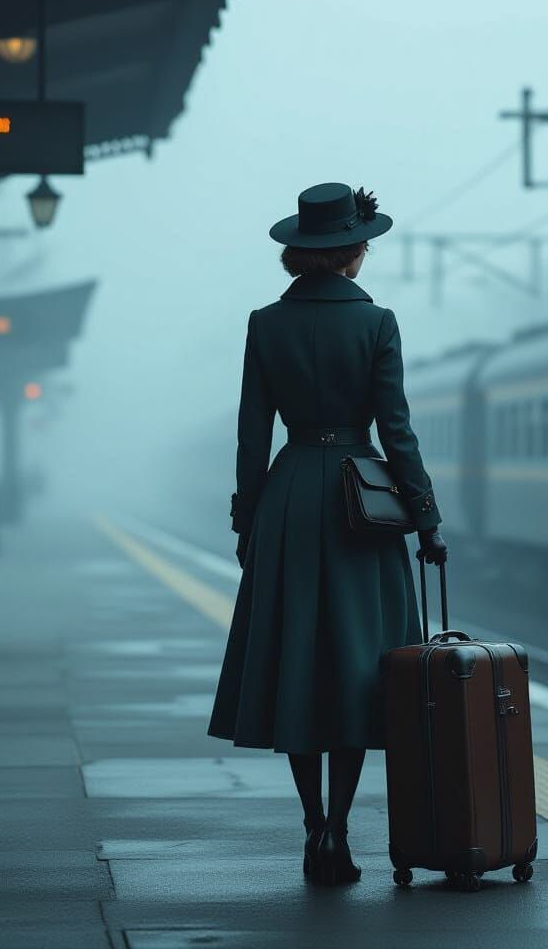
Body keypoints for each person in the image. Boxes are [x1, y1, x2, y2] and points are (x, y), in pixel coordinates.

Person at [206, 182, 447, 886]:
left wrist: (249, 518)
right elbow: (396, 432)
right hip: (359, 507)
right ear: (353, 251)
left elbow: (253, 434)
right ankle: (340, 829)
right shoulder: (378, 323)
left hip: (288, 500)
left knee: (296, 665)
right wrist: (426, 520)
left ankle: (312, 824)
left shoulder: (265, 324)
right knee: (356, 669)